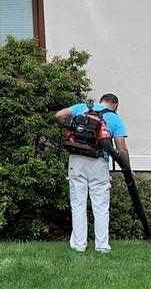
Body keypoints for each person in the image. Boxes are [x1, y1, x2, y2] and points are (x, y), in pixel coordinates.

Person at [54, 94, 129, 254]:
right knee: (101, 206)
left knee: (78, 204)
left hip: (76, 159)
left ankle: (79, 245)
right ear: (115, 105)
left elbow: (59, 115)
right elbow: (121, 149)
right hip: (98, 161)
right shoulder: (115, 119)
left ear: (99, 101)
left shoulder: (81, 108)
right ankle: (102, 246)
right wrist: (128, 169)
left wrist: (71, 126)